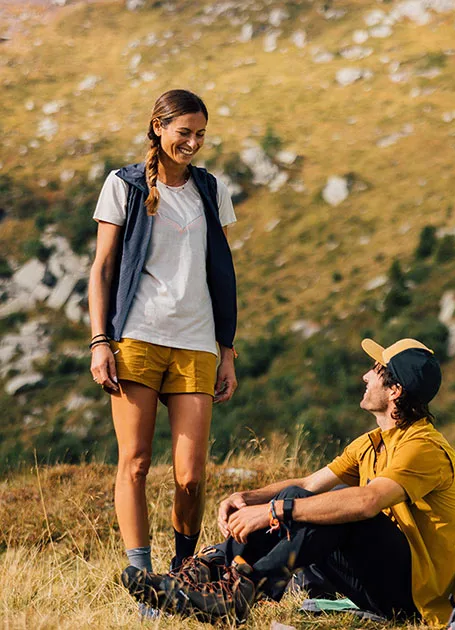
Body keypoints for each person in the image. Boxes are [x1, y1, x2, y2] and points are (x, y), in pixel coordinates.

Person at [121, 338, 455, 627]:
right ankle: (207, 572)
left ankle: (239, 592)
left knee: (344, 510)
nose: (366, 376)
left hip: (415, 599)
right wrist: (249, 497)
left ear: (395, 390)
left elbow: (367, 502)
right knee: (300, 497)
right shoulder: (373, 443)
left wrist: (274, 512)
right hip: (381, 580)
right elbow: (308, 482)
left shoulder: (424, 447)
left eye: (376, 371)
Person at [88, 89, 238, 586]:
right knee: (134, 461)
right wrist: (99, 340)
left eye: (200, 135)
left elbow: (222, 272)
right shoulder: (123, 184)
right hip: (137, 337)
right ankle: (141, 575)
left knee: (190, 475)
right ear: (158, 127)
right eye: (184, 132)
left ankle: (183, 570)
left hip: (196, 343)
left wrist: (228, 350)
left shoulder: (212, 189)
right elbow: (103, 268)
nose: (193, 143)